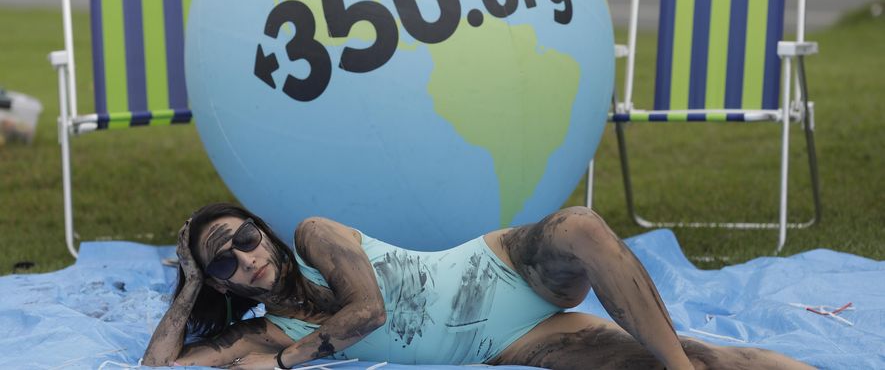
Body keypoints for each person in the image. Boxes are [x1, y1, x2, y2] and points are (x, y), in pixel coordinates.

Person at [143, 203, 811, 369]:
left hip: (491, 269)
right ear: (222, 285)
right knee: (698, 353)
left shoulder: (316, 236)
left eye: (244, 239)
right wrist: (188, 284)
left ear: (265, 232)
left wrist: (290, 359)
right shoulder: (255, 328)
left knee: (578, 225)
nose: (244, 257)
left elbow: (368, 312)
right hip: (508, 338)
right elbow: (161, 366)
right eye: (223, 264)